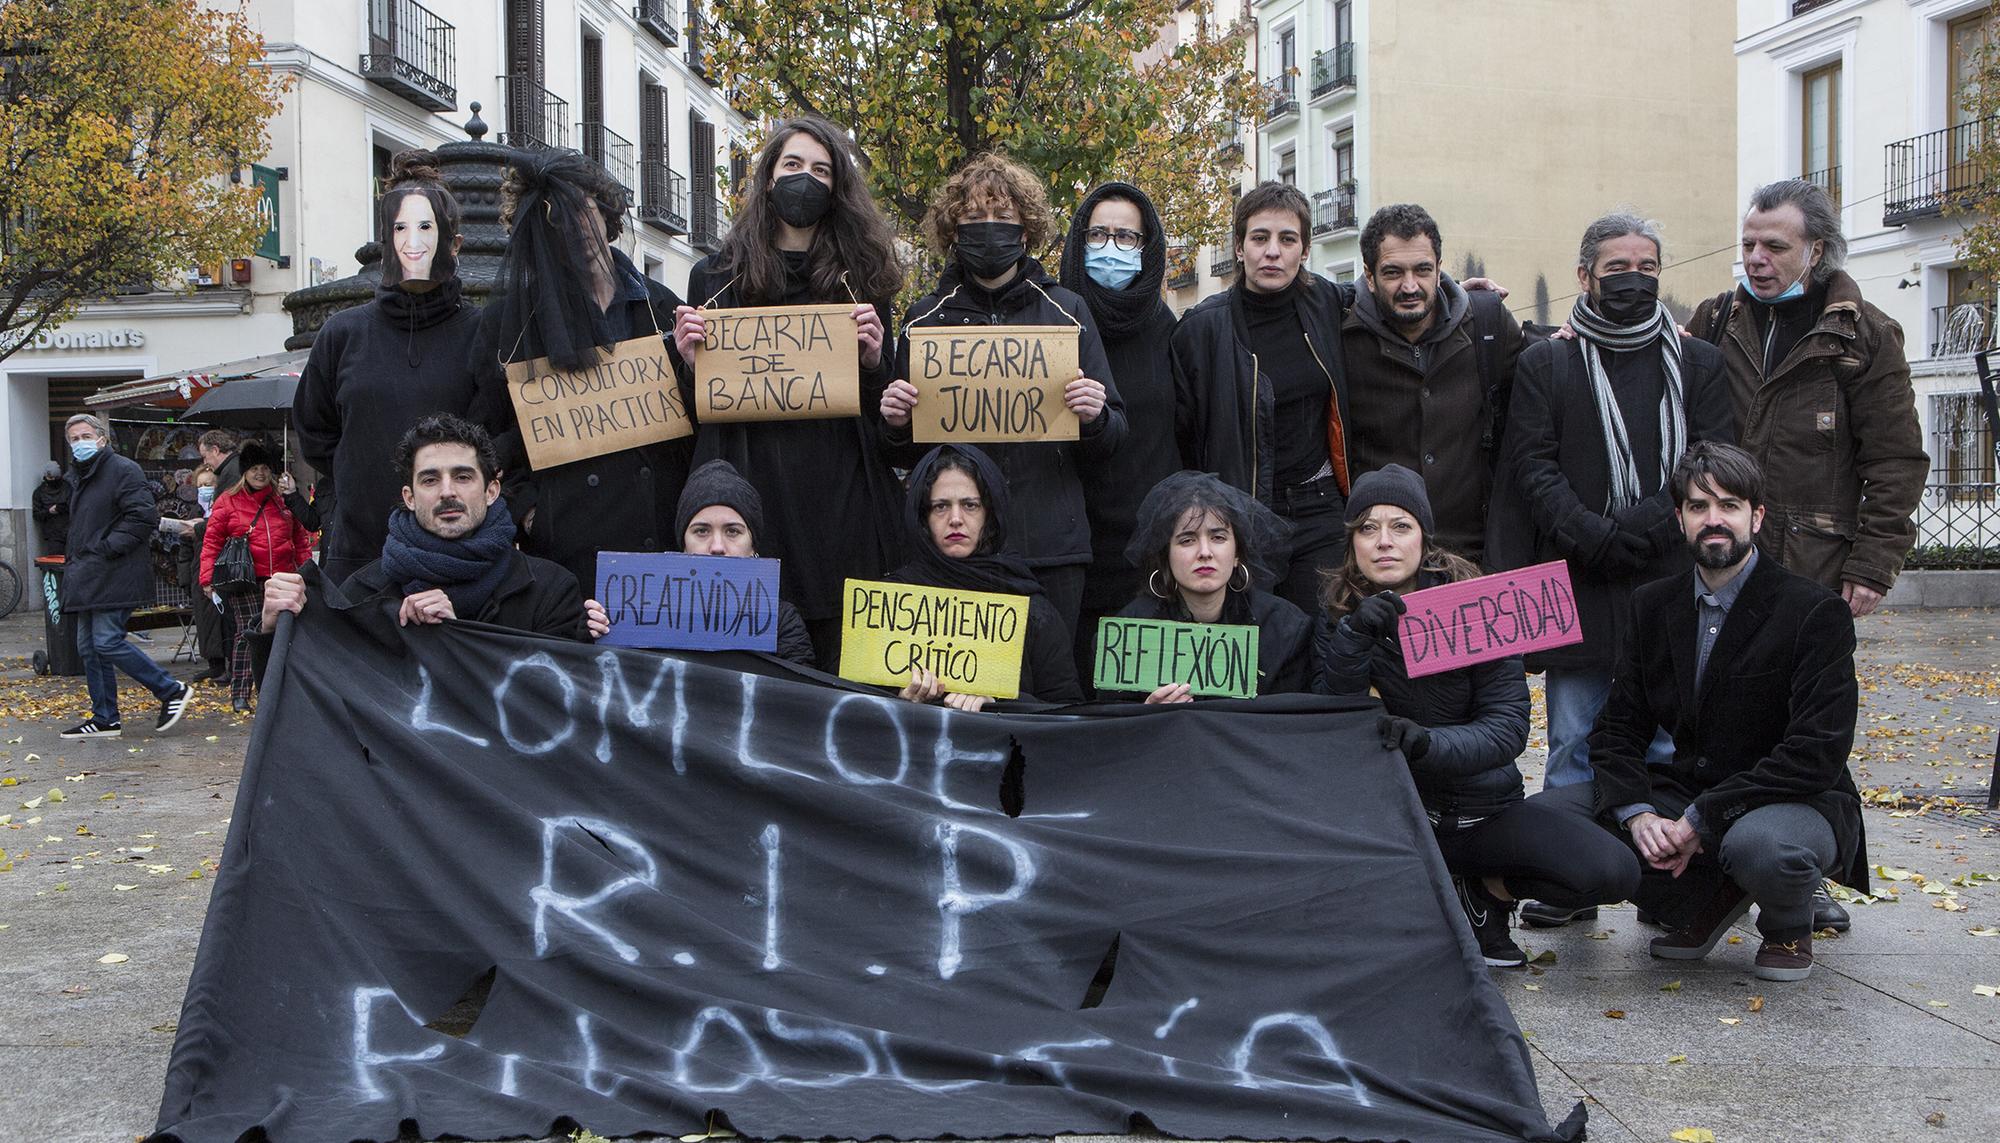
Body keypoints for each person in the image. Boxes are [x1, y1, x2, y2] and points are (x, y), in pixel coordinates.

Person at [1486, 211, 1735, 929]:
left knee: (1670, 742)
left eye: (1647, 267)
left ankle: (1669, 882)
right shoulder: (1548, 362)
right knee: (1575, 736)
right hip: (1579, 578)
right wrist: (1590, 533)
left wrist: (1648, 523)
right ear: (1585, 275)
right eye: (1618, 267)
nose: (1633, 279)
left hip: (1673, 576)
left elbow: (1711, 459)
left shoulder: (1700, 363)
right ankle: (1571, 879)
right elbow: (1529, 462)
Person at [1318, 465, 1641, 966]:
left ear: (1424, 536)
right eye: (1368, 527)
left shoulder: (1481, 607)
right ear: (1352, 542)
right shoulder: (1334, 620)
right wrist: (1354, 639)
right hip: (1394, 822)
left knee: (1610, 870)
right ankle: (1433, 895)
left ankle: (1488, 891)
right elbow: (1330, 724)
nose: (1384, 541)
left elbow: (1509, 727)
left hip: (1484, 813)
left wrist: (1428, 744)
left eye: (1400, 526)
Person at [1590, 442, 1865, 982]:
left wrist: (1701, 818)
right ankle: (1705, 902)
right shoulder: (1652, 605)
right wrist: (1638, 814)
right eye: (1698, 506)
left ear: (1756, 517)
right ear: (1680, 519)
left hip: (1795, 799)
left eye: (1730, 505)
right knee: (1563, 822)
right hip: (1692, 785)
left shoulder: (1814, 611)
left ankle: (1788, 923)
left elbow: (1817, 754)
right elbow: (1618, 728)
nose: (1713, 519)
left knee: (1761, 848)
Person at [671, 118, 905, 668]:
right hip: (748, 474)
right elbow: (694, 404)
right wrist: (688, 361)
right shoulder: (715, 275)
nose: (806, 179)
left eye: (821, 170)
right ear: (768, 179)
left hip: (838, 488)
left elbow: (887, 410)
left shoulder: (862, 280)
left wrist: (874, 361)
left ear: (838, 188)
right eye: (793, 166)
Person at [879, 153, 1127, 641]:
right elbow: (901, 451)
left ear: (1025, 230)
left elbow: (1114, 436)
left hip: (1052, 548)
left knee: (1051, 687)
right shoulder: (925, 319)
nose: (987, 228)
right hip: (958, 552)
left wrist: (1095, 415)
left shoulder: (1067, 310)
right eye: (973, 218)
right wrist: (893, 421)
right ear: (953, 230)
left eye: (1002, 217)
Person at [1690, 179, 1927, 618]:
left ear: (1815, 251)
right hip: (1715, 560)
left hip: (1812, 569)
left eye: (1775, 246)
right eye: (1748, 244)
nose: (1756, 258)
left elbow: (1896, 461)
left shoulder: (1865, 336)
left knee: (1801, 685)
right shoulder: (1716, 320)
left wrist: (1874, 564)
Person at [473, 147, 690, 594]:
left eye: (583, 209)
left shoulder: (662, 307)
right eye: (557, 220)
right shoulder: (511, 325)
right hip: (569, 559)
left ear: (604, 208)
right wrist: (529, 512)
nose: (577, 229)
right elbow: (486, 434)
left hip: (662, 545)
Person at [258, 415, 609, 656]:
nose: (447, 492)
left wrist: (592, 643)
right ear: (409, 498)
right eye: (429, 480)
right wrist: (274, 633)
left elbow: (555, 711)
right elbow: (317, 706)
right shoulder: (364, 594)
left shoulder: (550, 590)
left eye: (463, 477)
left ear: (491, 491)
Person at [295, 150, 479, 584]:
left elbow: (500, 438)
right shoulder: (342, 334)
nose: (413, 244)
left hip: (458, 560)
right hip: (359, 555)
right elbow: (316, 434)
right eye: (400, 228)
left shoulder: (482, 333)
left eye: (426, 228)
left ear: (454, 243)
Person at [1171, 181, 1354, 615]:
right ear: (1239, 247)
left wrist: (1460, 293)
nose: (1273, 251)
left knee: (1324, 637)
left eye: (1287, 239)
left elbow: (1393, 296)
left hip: (1320, 507)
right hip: (1241, 513)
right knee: (1254, 649)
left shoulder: (1326, 302)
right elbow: (1181, 435)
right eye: (1260, 238)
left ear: (1304, 250)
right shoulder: (1201, 330)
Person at [1343, 204, 1522, 565]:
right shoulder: (1341, 337)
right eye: (1393, 272)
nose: (1410, 286)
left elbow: (1543, 386)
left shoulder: (1488, 324)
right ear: (1369, 275)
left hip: (1473, 556)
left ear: (1440, 270)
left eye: (1422, 270)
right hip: (1379, 564)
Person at [1059, 182, 1183, 678]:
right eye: (1098, 234)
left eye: (1127, 238)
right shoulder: (1052, 319)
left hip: (1148, 550)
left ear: (1148, 247)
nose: (1112, 247)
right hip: (1071, 547)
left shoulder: (1172, 332)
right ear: (1077, 241)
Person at [884, 444, 1085, 709]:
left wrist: (998, 702)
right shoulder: (889, 603)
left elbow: (1065, 710)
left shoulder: (1031, 608)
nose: (955, 519)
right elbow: (856, 709)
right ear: (923, 517)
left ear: (990, 514)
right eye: (941, 506)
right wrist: (899, 701)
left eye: (970, 505)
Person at [1099, 471, 1316, 701]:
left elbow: (1293, 724)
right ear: (1166, 557)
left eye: (1218, 538)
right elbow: (1110, 727)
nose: (1204, 552)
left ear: (1237, 555)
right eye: (1187, 540)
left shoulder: (1284, 628)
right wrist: (1148, 715)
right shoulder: (1130, 634)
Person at [55, 415, 195, 740]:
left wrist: (105, 549)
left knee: (106, 641)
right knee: (88, 647)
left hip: (114, 571)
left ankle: (170, 689)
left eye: (85, 435)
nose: (80, 443)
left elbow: (141, 517)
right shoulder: (79, 476)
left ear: (102, 439)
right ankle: (105, 718)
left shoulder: (122, 469)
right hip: (90, 573)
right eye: (74, 438)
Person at [199, 440, 316, 711]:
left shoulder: (282, 501)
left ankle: (278, 691)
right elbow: (212, 542)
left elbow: (300, 539)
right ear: (244, 472)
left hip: (282, 579)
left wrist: (307, 572)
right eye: (254, 468)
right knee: (247, 634)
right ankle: (241, 693)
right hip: (246, 580)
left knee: (284, 634)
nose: (260, 473)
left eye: (265, 468)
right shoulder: (227, 501)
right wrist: (207, 579)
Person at [672, 460, 816, 668]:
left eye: (732, 531)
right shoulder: (643, 614)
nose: (717, 547)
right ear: (683, 545)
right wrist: (607, 632)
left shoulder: (782, 622)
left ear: (753, 547)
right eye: (702, 531)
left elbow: (800, 696)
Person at [32, 461, 69, 555]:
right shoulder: (39, 492)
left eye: (55, 478)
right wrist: (49, 512)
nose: (52, 480)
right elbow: (36, 515)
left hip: (71, 532)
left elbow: (77, 506)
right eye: (50, 478)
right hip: (53, 535)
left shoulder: (68, 487)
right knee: (55, 565)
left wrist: (63, 507)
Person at [197, 430, 241, 497]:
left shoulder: (231, 474)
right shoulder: (238, 463)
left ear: (215, 450)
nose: (205, 462)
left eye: (205, 457)